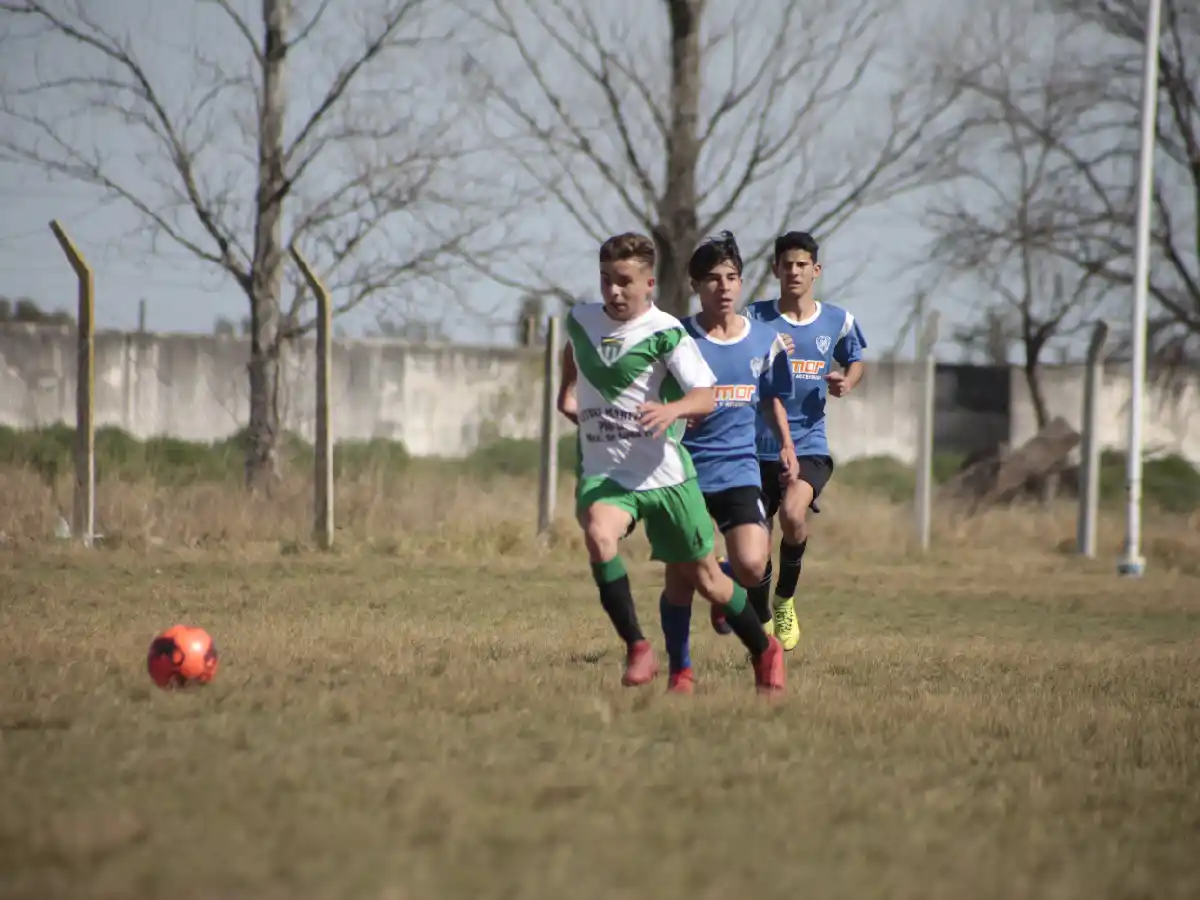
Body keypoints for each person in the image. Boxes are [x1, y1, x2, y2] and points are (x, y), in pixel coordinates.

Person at [557, 231, 785, 694]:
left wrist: (672, 409)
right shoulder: (580, 319)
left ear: (649, 284)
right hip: (609, 475)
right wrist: (567, 390)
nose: (613, 291)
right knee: (599, 535)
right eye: (605, 281)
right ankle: (639, 647)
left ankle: (764, 649)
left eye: (623, 281)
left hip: (667, 477)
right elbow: (574, 350)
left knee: (708, 581)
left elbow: (704, 396)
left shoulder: (666, 331)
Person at [655, 232, 797, 694]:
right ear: (696, 285)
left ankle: (728, 589)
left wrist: (787, 446)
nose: (725, 287)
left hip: (739, 468)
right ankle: (681, 670)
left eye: (732, 278)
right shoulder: (677, 338)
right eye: (713, 279)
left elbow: (773, 396)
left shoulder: (764, 339)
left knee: (754, 565)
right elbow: (651, 394)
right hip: (684, 472)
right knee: (680, 580)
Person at [744, 231, 867, 651]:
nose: (794, 271)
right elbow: (736, 362)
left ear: (815, 270)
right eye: (786, 264)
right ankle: (760, 617)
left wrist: (846, 381)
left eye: (802, 265)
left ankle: (785, 601)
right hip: (756, 448)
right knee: (755, 547)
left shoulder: (837, 320)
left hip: (809, 445)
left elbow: (855, 359)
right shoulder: (755, 319)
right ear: (776, 269)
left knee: (794, 515)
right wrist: (766, 353)